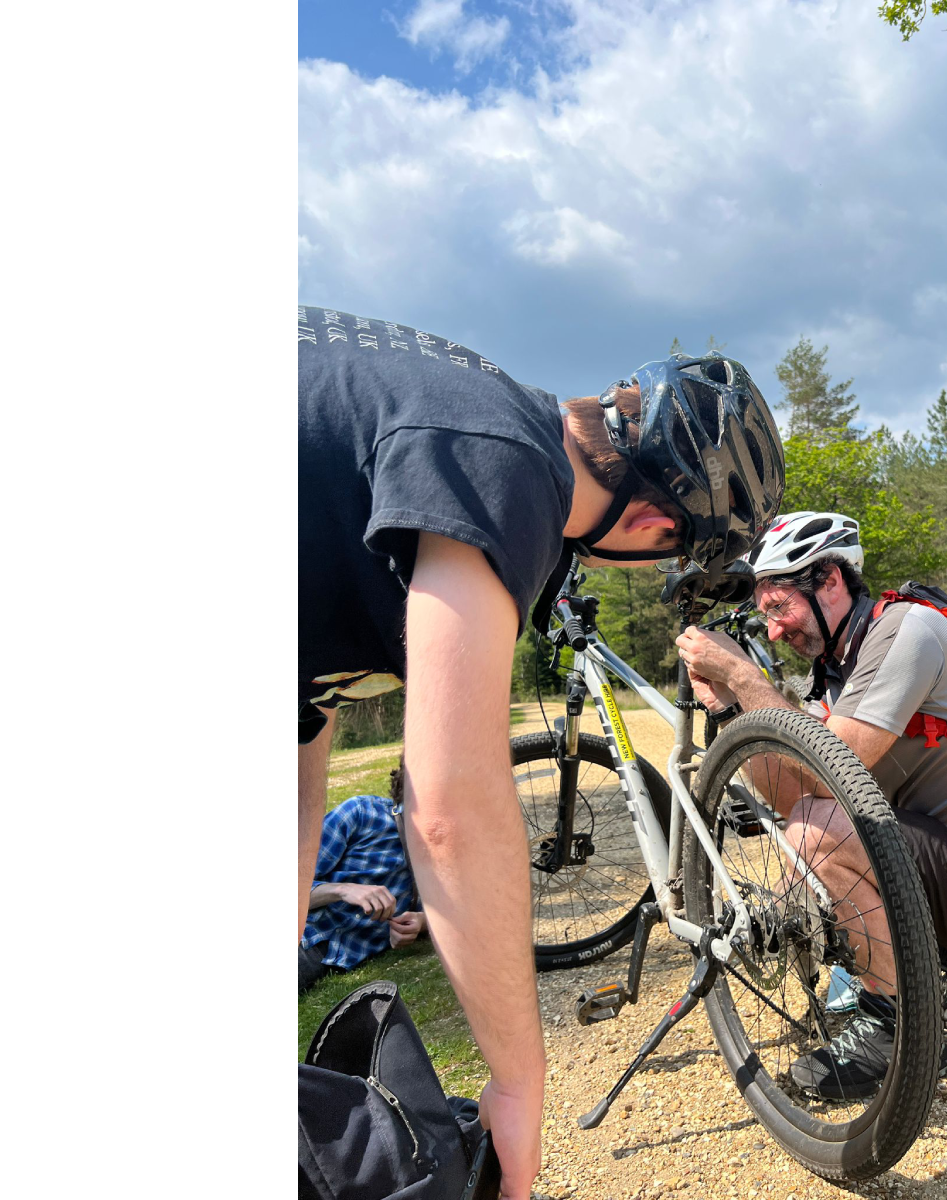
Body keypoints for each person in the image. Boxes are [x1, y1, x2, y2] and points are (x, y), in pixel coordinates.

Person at [299, 305, 785, 1200]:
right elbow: (448, 810)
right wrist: (520, 1085)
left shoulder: (449, 407)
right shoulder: (507, 458)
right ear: (649, 528)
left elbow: (306, 735)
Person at [674, 511, 947, 1098]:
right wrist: (729, 704)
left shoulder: (907, 633)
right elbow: (791, 793)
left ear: (831, 580)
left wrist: (740, 669)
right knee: (804, 829)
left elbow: (826, 782)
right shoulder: (836, 671)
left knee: (819, 834)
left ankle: (899, 1030)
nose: (776, 630)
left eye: (781, 607)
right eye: (766, 615)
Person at [298, 780, 429, 995]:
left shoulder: (454, 859)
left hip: (322, 957)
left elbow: (460, 915)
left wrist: (421, 923)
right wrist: (341, 890)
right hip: (306, 931)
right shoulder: (361, 814)